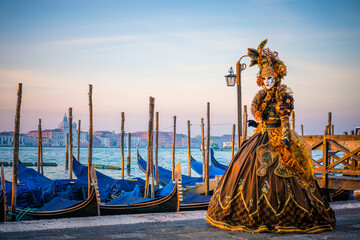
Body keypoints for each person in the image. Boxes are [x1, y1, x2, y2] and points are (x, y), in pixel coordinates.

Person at [206, 39, 336, 233]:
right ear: (261, 80)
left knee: (285, 172)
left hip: (279, 137)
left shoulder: (282, 95)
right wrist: (256, 124)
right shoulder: (261, 98)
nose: (267, 82)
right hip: (262, 135)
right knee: (245, 165)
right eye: (264, 80)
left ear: (277, 78)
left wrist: (284, 138)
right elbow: (264, 119)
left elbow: (285, 120)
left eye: (271, 79)